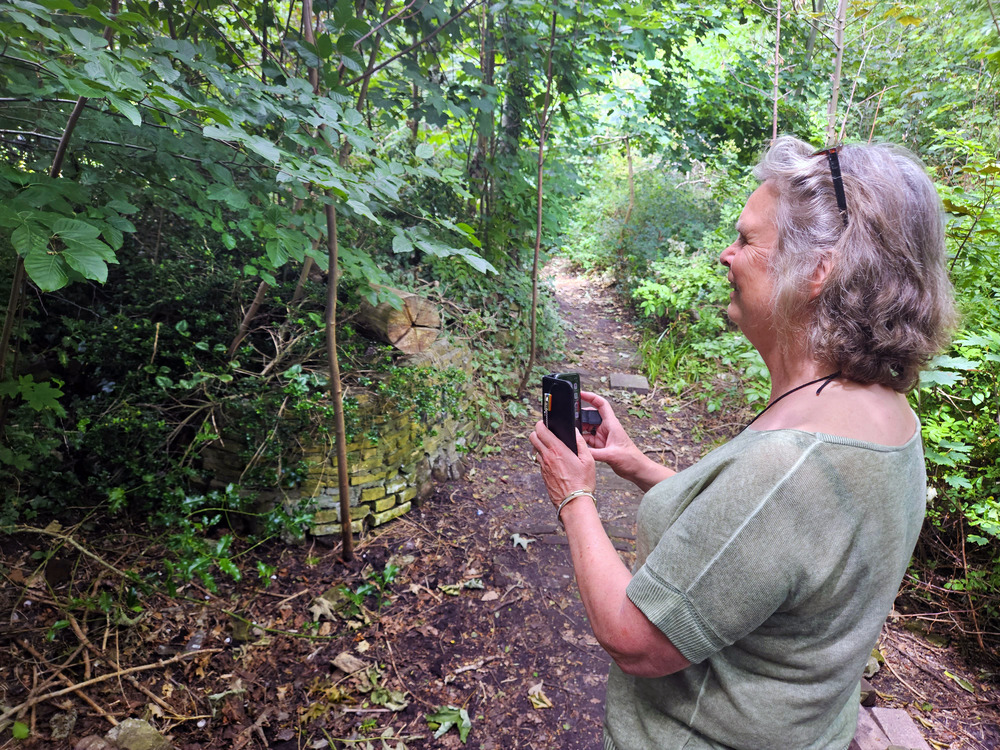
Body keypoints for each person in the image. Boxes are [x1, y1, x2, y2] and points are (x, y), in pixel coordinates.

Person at [529, 135, 956, 750]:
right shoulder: (879, 414)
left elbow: (634, 640)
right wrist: (639, 467)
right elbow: (763, 549)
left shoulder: (790, 465)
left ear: (817, 272)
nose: (726, 255)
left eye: (748, 240)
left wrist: (574, 497)